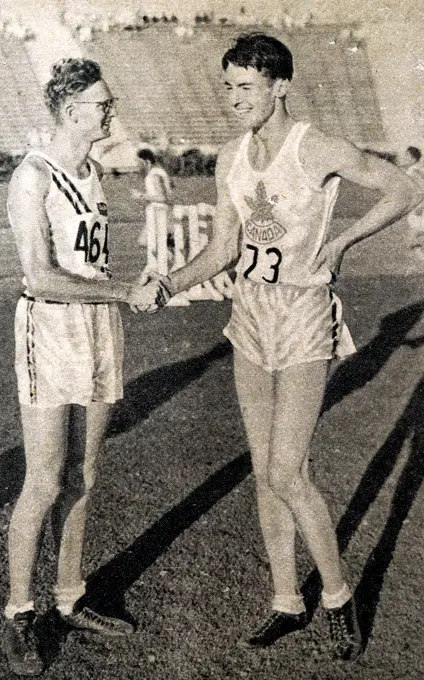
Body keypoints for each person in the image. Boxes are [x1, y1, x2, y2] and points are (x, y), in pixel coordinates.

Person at [142, 33, 422, 661]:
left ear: (280, 87)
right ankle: (284, 600)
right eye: (229, 87)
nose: (234, 99)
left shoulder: (314, 146)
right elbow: (222, 251)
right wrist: (168, 283)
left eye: (246, 87)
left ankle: (337, 594)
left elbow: (405, 190)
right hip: (250, 316)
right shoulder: (231, 158)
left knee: (287, 471)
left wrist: (344, 240)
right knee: (265, 466)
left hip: (302, 314)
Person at [3, 58, 160, 676]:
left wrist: (119, 292)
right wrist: (124, 291)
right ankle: (19, 610)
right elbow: (40, 275)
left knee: (86, 471)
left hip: (97, 325)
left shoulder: (93, 172)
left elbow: (90, 266)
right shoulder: (31, 177)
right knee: (43, 478)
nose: (109, 110)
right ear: (71, 112)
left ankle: (69, 599)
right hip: (49, 328)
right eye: (101, 103)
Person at [397, 146, 424, 260]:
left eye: (406, 156)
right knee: (412, 241)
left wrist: (421, 205)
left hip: (419, 210)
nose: (402, 158)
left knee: (411, 241)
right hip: (417, 209)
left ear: (412, 159)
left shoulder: (413, 171)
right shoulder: (415, 170)